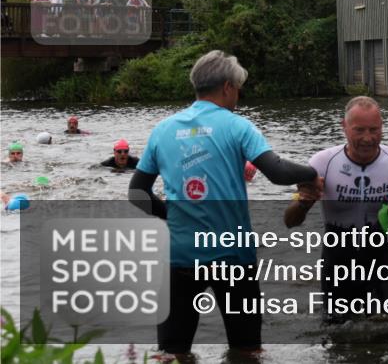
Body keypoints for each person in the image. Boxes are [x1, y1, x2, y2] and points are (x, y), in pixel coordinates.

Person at [128, 50, 320, 357]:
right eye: (238, 89)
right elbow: (277, 171)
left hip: (178, 258)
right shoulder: (237, 126)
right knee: (246, 351)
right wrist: (311, 173)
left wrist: (173, 216)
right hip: (233, 257)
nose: (238, 96)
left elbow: (137, 193)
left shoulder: (163, 130)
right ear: (228, 87)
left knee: (172, 355)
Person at [284, 96, 388, 322]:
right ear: (344, 127)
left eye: (374, 130)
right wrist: (304, 202)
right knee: (337, 342)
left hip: (382, 263)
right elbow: (290, 221)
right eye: (359, 130)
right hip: (338, 265)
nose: (368, 138)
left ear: (382, 127)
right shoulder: (322, 162)